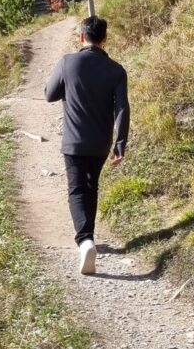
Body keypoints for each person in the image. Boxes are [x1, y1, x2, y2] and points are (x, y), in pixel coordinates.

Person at [45, 16, 129, 275]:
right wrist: (120, 144)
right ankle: (89, 237)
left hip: (73, 141)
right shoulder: (116, 70)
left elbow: (50, 94)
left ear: (81, 37)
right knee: (91, 187)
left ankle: (85, 240)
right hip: (101, 143)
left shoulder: (68, 63)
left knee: (77, 189)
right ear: (105, 39)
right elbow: (122, 109)